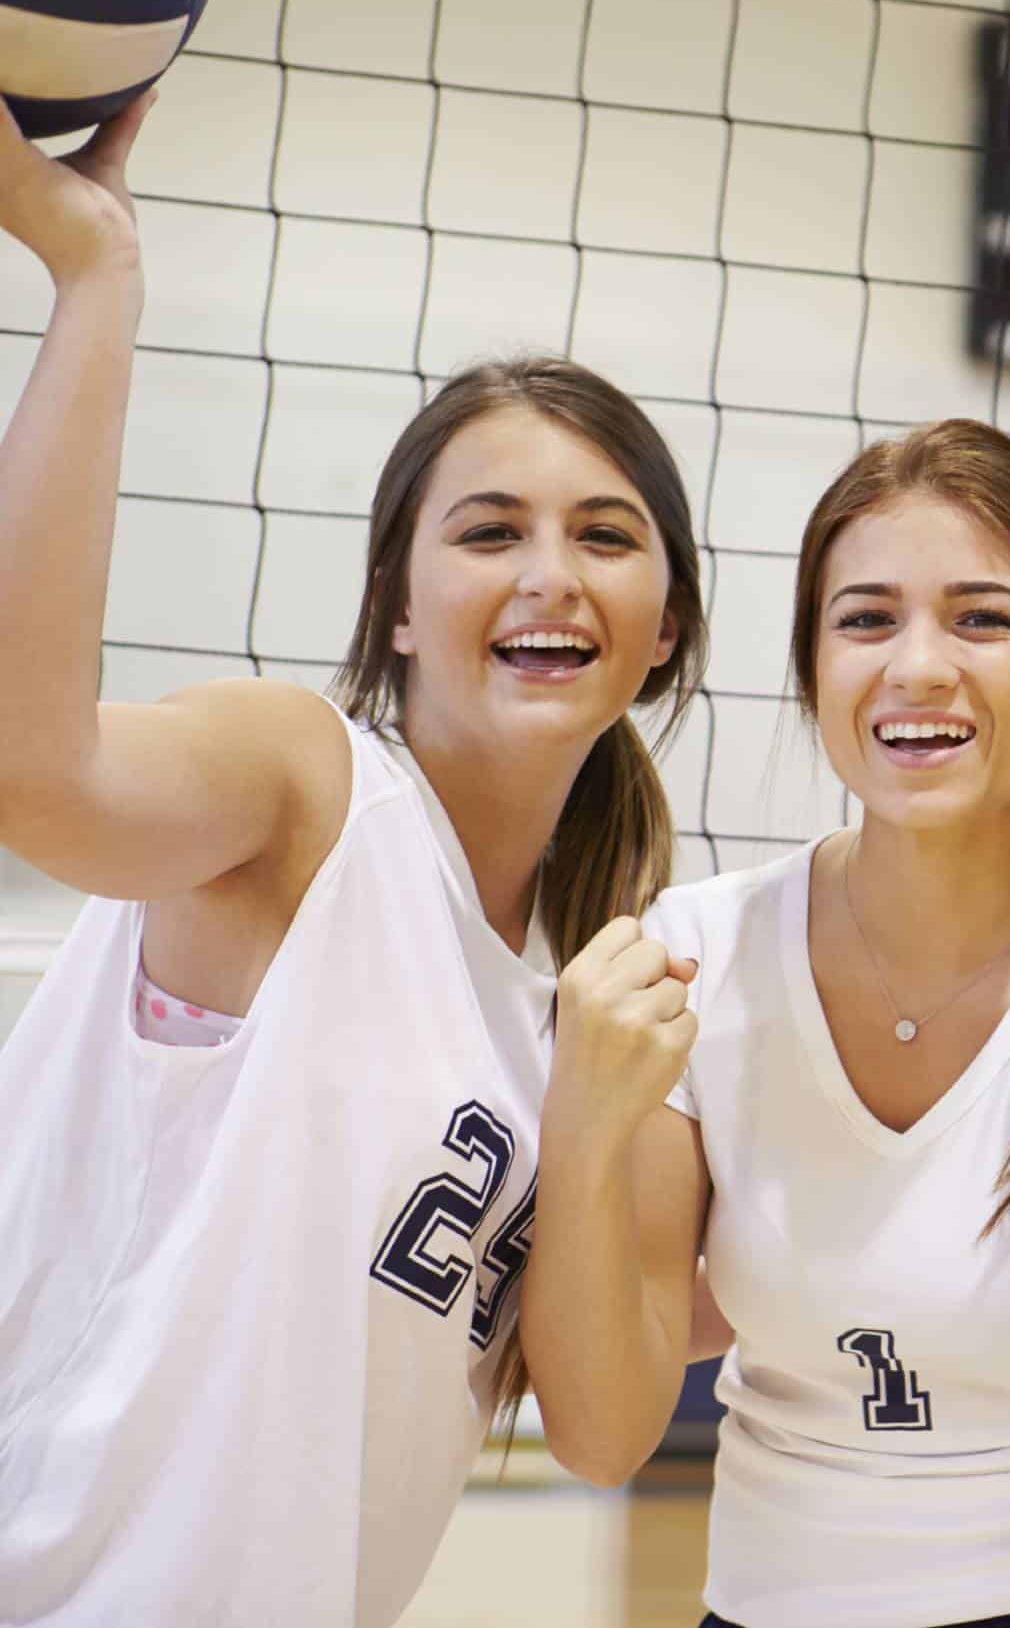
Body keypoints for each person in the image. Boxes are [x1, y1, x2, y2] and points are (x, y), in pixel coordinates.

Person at [0, 97, 709, 1625]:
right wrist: (95, 277)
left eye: (603, 532)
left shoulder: (600, 997)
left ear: (665, 631)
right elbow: (29, 771)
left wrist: (594, 1129)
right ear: (396, 604)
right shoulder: (305, 784)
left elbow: (602, 1430)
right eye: (488, 530)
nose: (546, 574)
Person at [523, 419, 1010, 1628]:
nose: (917, 665)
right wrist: (582, 1122)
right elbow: (604, 1436)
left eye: (981, 618)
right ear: (816, 668)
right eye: (866, 619)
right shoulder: (697, 953)